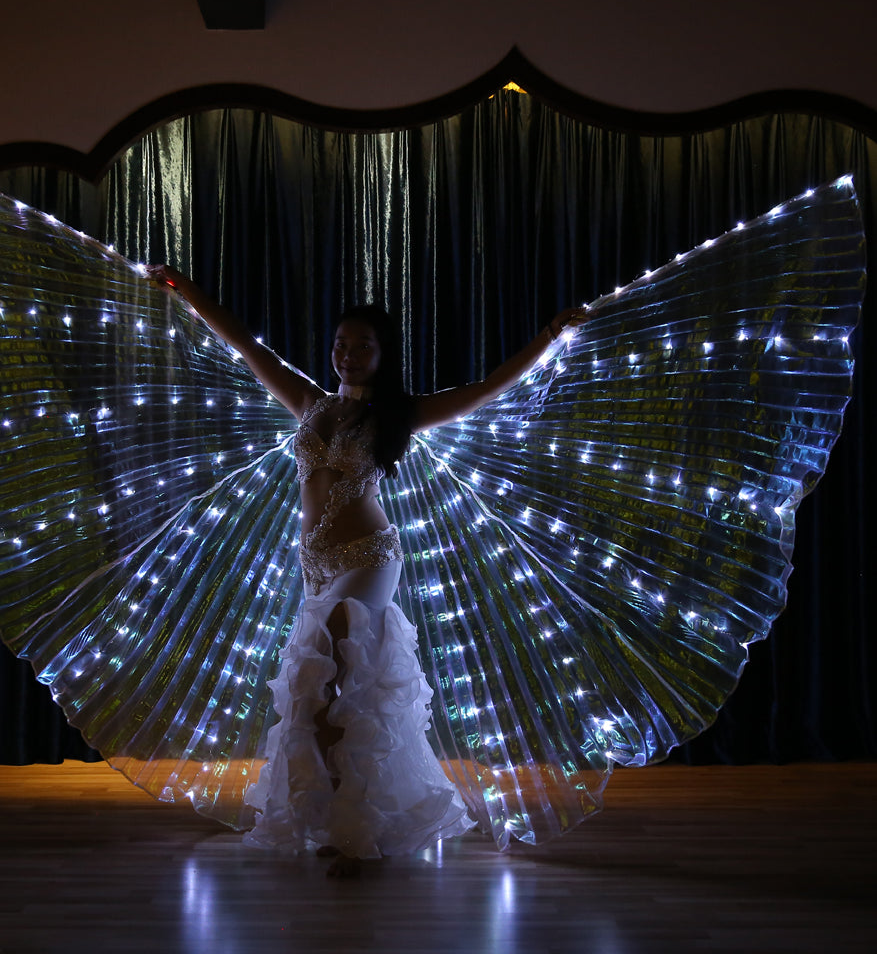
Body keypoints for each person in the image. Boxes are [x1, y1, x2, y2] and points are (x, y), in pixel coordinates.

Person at [146, 264, 587, 877]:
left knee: (332, 676)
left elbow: (487, 387)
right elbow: (245, 345)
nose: (347, 355)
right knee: (317, 695)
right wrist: (188, 293)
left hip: (369, 558)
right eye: (341, 344)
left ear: (383, 354)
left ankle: (355, 833)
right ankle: (342, 822)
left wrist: (548, 338)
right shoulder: (308, 402)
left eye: (362, 345)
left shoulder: (398, 415)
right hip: (317, 563)